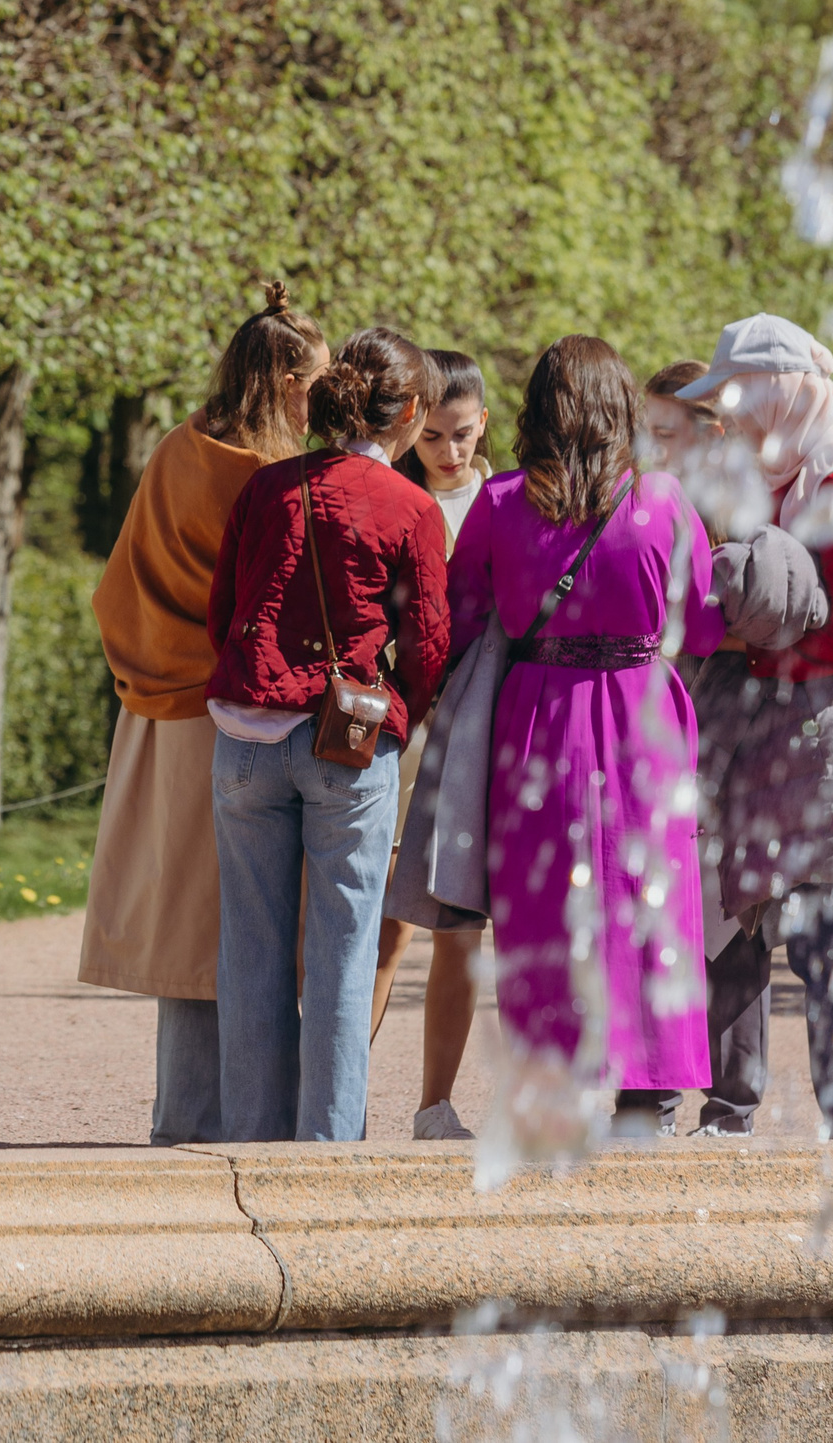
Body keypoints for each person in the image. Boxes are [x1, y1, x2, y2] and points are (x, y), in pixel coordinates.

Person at [446, 336, 723, 1133]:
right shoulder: (664, 501)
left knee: (543, 903)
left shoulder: (500, 503)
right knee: (649, 901)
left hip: (540, 714)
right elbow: (701, 624)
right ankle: (648, 1094)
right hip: (643, 713)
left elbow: (465, 616)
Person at [79, 286, 330, 1145]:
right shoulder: (283, 478)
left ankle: (182, 1117)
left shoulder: (176, 451)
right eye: (318, 379)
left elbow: (122, 585)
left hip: (165, 709)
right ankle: (241, 1125)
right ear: (291, 379)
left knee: (190, 931)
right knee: (255, 924)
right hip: (251, 715)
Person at [205, 326, 450, 1143]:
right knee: (344, 953)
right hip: (347, 742)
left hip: (245, 733)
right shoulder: (413, 507)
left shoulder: (266, 488)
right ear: (410, 412)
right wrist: (400, 710)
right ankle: (327, 1148)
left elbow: (223, 613)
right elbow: (430, 641)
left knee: (251, 949)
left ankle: (251, 1140)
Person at [678, 314, 833, 1140]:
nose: (734, 415)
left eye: (744, 396)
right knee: (820, 951)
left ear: (783, 395)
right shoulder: (784, 485)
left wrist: (752, 635)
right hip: (799, 757)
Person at [646, 358, 820, 1136]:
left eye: (663, 432)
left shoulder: (744, 510)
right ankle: (653, 1092)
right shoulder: (656, 502)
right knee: (664, 926)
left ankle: (731, 1107)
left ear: (710, 432)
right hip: (666, 741)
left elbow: (773, 608)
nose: (649, 448)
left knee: (735, 931)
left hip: (734, 744)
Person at [372, 348, 493, 1142]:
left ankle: (433, 1104)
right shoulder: (398, 500)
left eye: (464, 435)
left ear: (485, 423)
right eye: (435, 438)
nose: (450, 452)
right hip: (407, 733)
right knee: (383, 928)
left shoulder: (503, 498)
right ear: (413, 429)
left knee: (459, 927)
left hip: (471, 733)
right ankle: (338, 1093)